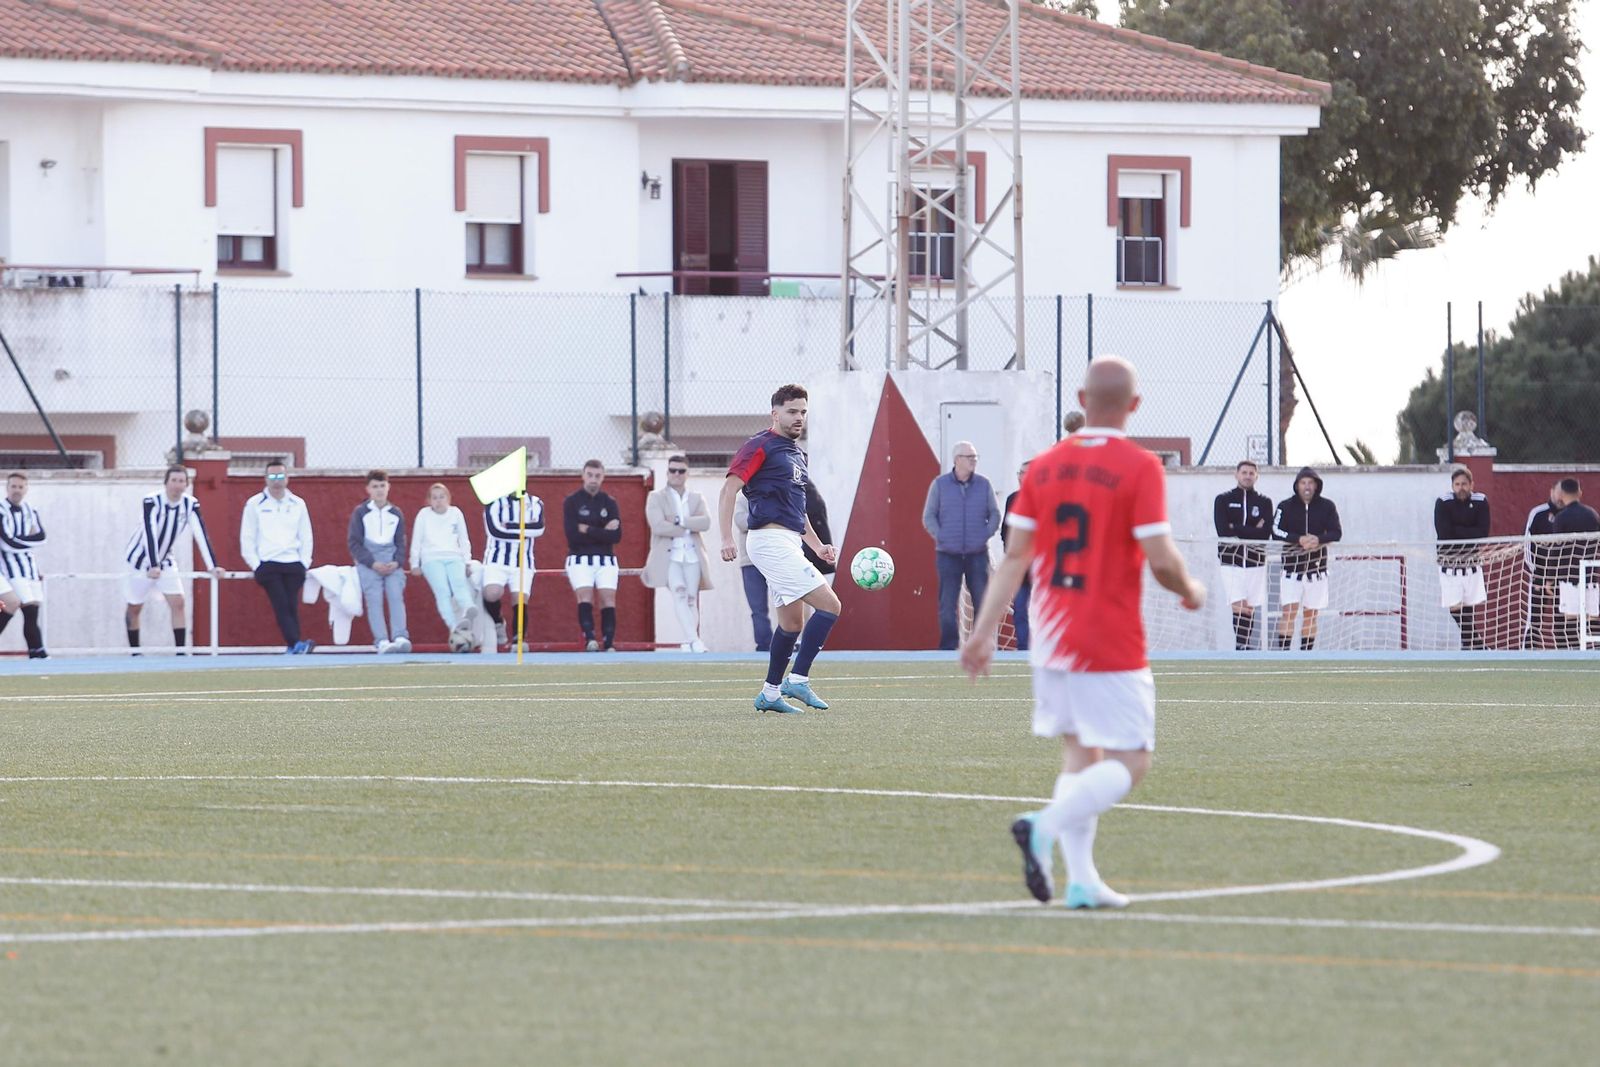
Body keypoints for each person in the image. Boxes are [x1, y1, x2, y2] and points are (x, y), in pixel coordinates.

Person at [961, 356, 1204, 911]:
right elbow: (1162, 560)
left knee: (1081, 756)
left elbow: (1014, 558)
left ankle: (1081, 881)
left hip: (1049, 634)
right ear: (1135, 406)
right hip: (1107, 636)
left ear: (1081, 398)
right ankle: (1041, 827)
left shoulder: (1043, 468)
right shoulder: (1140, 466)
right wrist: (1191, 589)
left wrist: (982, 632)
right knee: (1132, 760)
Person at [718, 383, 841, 712]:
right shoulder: (759, 445)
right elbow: (729, 489)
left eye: (803, 412)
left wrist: (817, 546)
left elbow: (797, 511)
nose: (799, 417)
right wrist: (727, 537)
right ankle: (797, 680)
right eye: (792, 411)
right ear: (775, 414)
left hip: (788, 542)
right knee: (830, 607)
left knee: (792, 625)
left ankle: (770, 694)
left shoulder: (798, 454)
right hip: (769, 541)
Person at [127, 465, 224, 654]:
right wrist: (152, 564)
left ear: (187, 484)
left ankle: (180, 652)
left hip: (165, 560)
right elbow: (150, 531)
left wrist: (213, 566)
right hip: (139, 561)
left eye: (182, 481)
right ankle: (135, 653)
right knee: (134, 607)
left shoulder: (190, 504)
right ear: (166, 483)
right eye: (174, 481)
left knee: (178, 602)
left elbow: (200, 533)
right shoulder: (151, 501)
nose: (177, 486)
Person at [922, 440, 1001, 650]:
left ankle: (980, 646)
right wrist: (942, 536)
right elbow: (929, 516)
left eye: (975, 457)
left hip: (977, 554)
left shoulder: (984, 485)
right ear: (957, 460)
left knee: (981, 602)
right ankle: (949, 648)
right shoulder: (940, 485)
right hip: (948, 554)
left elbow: (994, 514)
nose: (974, 461)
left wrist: (984, 534)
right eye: (970, 457)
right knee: (947, 604)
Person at [241, 459, 314, 653]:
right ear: (265, 478)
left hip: (293, 564)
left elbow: (306, 536)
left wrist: (304, 562)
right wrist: (257, 565)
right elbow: (247, 538)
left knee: (291, 604)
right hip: (268, 565)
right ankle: (296, 642)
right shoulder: (254, 504)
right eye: (272, 476)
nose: (276, 481)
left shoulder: (298, 504)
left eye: (280, 476)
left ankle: (294, 645)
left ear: (287, 478)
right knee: (281, 603)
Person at [644, 456, 713, 652]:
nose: (676, 474)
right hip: (669, 556)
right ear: (667, 473)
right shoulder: (656, 497)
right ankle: (695, 640)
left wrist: (678, 521)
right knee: (680, 593)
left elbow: (706, 522)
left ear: (687, 473)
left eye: (681, 471)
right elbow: (657, 526)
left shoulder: (696, 497)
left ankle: (689, 641)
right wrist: (689, 524)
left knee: (691, 597)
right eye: (673, 470)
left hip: (692, 555)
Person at [1271, 467, 1341, 650]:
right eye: (1303, 483)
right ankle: (1284, 655)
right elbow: (1275, 531)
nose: (1307, 486)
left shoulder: (1328, 506)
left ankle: (1306, 654)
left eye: (1310, 482)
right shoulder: (1285, 506)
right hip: (1291, 570)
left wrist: (1319, 540)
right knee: (1289, 612)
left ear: (1316, 485)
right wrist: (1298, 539)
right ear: (1297, 485)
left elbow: (1336, 532)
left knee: (1311, 614)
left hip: (1316, 570)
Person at [347, 470, 411, 655]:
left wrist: (397, 562)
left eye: (382, 486)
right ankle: (382, 640)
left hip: (391, 559)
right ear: (368, 489)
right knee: (374, 599)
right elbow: (354, 543)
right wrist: (371, 562)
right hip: (369, 560)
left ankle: (400, 636)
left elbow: (401, 542)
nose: (379, 490)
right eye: (375, 486)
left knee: (395, 595)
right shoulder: (360, 513)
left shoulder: (396, 513)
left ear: (388, 487)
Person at [1213, 460, 1273, 650]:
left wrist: (1236, 528)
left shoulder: (1264, 502)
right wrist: (1250, 529)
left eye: (1251, 473)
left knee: (1250, 607)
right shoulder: (1222, 499)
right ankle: (1241, 648)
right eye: (1244, 472)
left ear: (1257, 476)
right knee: (1238, 604)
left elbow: (1265, 533)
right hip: (1231, 561)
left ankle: (1246, 649)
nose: (1247, 476)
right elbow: (1223, 530)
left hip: (1255, 561)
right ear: (1236, 475)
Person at [564, 460, 623, 651]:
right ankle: (590, 639)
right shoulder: (572, 502)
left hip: (606, 559)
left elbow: (616, 536)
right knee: (585, 595)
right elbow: (572, 537)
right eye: (590, 475)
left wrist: (587, 529)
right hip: (579, 558)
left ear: (603, 477)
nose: (593, 480)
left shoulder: (610, 503)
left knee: (608, 598)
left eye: (597, 476)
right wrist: (601, 531)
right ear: (583, 475)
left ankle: (609, 642)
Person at [408, 483, 477, 645]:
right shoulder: (424, 515)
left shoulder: (456, 513)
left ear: (448, 498)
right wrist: (414, 564)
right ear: (429, 501)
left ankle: (468, 610)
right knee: (442, 591)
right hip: (431, 558)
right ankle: (453, 626)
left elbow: (463, 539)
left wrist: (467, 561)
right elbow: (416, 540)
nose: (438, 501)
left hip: (454, 556)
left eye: (442, 497)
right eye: (435, 498)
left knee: (459, 584)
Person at [1434, 466, 1491, 650]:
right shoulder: (1443, 502)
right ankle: (1477, 644)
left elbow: (1482, 532)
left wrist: (1457, 530)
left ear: (1471, 484)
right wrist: (1467, 532)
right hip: (1448, 563)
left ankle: (1468, 646)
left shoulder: (1481, 501)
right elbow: (1444, 532)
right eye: (1457, 484)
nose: (1461, 488)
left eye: (1464, 484)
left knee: (1468, 606)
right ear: (1452, 486)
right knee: (1455, 607)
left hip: (1471, 562)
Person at [482, 489, 545, 650]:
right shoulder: (493, 502)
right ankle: (498, 621)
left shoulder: (535, 502)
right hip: (497, 558)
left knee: (520, 598)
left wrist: (510, 526)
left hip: (523, 560)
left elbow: (538, 528)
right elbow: (494, 531)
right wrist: (524, 532)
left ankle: (519, 639)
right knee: (491, 593)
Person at [0, 471, 48, 657]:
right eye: (13, 486)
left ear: (26, 489)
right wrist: (29, 539)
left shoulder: (30, 510)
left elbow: (42, 537)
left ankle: (36, 651)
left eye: (20, 487)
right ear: (7, 487)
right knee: (22, 606)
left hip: (29, 568)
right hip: (10, 570)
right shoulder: (2, 510)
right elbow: (6, 543)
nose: (17, 490)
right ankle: (38, 651)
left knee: (31, 608)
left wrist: (20, 540)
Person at [1551, 476, 1600, 649]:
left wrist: (1550, 578)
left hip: (1567, 577)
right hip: (1590, 576)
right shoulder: (1593, 514)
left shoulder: (1561, 517)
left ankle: (1569, 653)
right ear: (1579, 492)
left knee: (1569, 619)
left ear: (1561, 494)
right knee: (1592, 617)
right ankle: (1593, 653)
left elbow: (1555, 550)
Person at [1524, 482, 1563, 649]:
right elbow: (1527, 545)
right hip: (1540, 575)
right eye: (1558, 492)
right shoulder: (1538, 513)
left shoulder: (1571, 515)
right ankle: (1529, 650)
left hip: (1565, 577)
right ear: (1552, 492)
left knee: (1563, 618)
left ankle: (1566, 652)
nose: (1560, 498)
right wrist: (1538, 574)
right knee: (1535, 617)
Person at [733, 493, 773, 651]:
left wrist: (759, 519)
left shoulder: (775, 494)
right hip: (750, 561)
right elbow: (741, 522)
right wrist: (768, 518)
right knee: (758, 608)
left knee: (787, 602)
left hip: (776, 559)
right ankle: (764, 645)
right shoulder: (743, 498)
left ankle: (788, 643)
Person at [1001, 460, 1033, 651]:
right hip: (1021, 567)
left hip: (1042, 567)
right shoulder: (1012, 499)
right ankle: (1023, 649)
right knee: (1020, 607)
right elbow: (1005, 530)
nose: (1022, 477)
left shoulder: (1048, 498)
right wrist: (1009, 551)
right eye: (1020, 473)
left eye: (1027, 473)